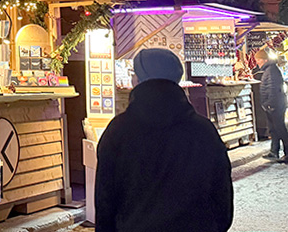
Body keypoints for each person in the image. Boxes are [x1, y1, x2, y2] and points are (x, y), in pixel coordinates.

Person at [95, 48, 233, 232]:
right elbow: (222, 194)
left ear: (138, 80)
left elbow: (105, 200)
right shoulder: (203, 130)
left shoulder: (119, 131)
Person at [256, 48, 288, 162]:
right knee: (274, 129)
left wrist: (269, 104)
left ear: (264, 60)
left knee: (280, 129)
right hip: (274, 104)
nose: (257, 62)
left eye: (258, 60)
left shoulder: (271, 71)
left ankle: (286, 153)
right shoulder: (270, 69)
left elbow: (273, 89)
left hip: (275, 105)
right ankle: (274, 151)